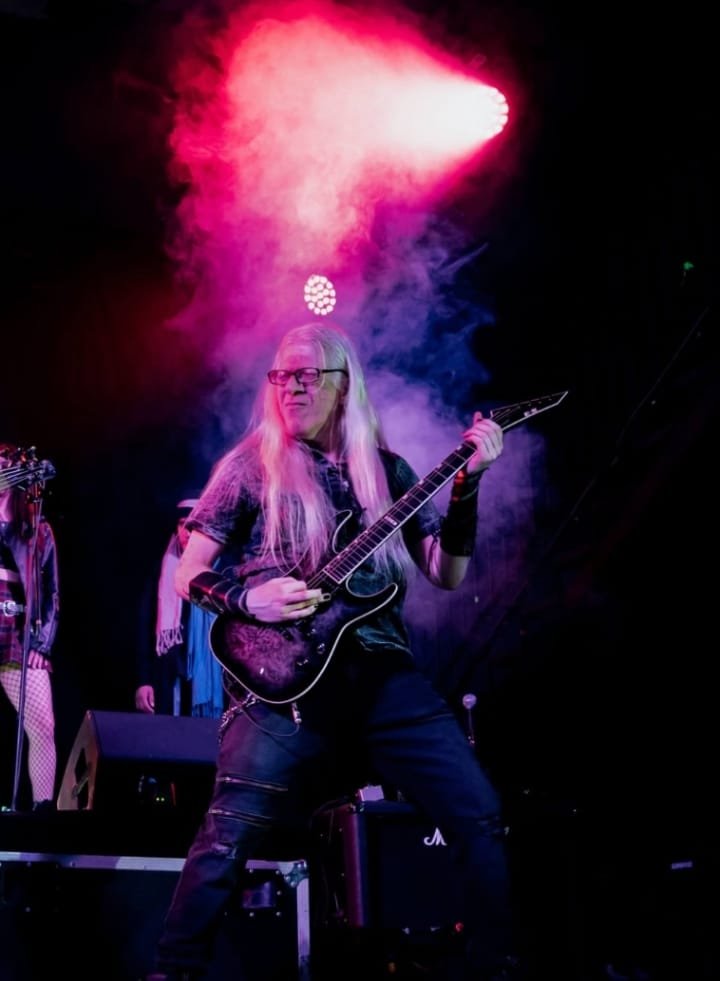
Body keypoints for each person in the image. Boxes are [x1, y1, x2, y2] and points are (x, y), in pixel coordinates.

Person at [147, 322, 524, 981]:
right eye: (281, 375)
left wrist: (468, 484)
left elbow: (446, 571)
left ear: (343, 384)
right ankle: (172, 971)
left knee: (480, 815)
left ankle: (494, 967)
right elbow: (189, 572)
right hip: (279, 680)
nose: (290, 387)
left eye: (306, 375)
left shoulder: (387, 471)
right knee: (226, 835)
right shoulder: (250, 466)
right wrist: (248, 600)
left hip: (380, 674)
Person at [0, 442, 59, 812]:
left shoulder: (37, 529)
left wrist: (42, 644)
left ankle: (42, 812)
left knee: (43, 725)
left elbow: (52, 592)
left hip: (16, 633)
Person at [135, 499, 225, 718]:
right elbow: (145, 625)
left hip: (213, 673)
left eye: (195, 527)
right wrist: (144, 680)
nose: (187, 532)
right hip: (169, 674)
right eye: (183, 524)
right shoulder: (162, 569)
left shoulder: (224, 570)